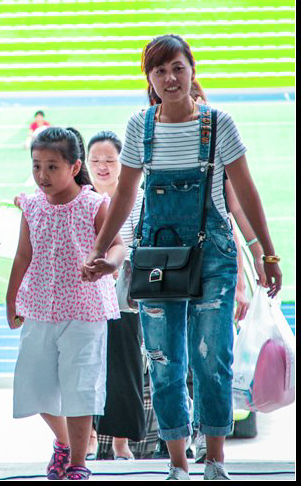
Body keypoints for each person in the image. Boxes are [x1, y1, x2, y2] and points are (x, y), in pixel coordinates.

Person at [82, 34, 282, 481]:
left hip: (214, 254)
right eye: (160, 70)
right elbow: (125, 193)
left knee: (212, 358)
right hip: (157, 258)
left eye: (177, 67)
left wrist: (267, 253)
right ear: (149, 79)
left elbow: (245, 191)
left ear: (192, 70)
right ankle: (177, 463)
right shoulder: (140, 127)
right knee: (164, 359)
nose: (170, 78)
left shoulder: (219, 123)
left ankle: (215, 461)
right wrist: (100, 250)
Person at [6, 126, 125, 481]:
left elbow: (118, 246)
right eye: (36, 166)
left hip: (85, 311)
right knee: (33, 382)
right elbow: (23, 255)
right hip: (39, 308)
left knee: (80, 386)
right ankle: (63, 442)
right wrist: (12, 299)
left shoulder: (94, 204)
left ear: (74, 167)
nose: (42, 175)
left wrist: (109, 264)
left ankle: (78, 463)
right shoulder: (31, 205)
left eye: (52, 167)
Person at [85, 131, 146, 461]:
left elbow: (138, 243)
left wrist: (116, 264)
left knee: (123, 368)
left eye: (110, 160)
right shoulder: (81, 197)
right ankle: (89, 437)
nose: (102, 166)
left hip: (122, 297)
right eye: (95, 160)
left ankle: (121, 443)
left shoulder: (135, 198)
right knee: (85, 367)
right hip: (84, 296)